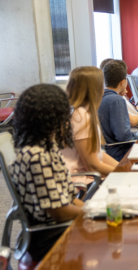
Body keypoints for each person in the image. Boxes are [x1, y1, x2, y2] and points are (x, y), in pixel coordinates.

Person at [9, 84, 84, 263]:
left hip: (57, 227)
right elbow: (59, 211)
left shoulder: (45, 147)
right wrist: (93, 212)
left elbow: (70, 199)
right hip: (49, 235)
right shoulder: (36, 156)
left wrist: (97, 208)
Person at [62, 67, 118, 185]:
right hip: (81, 184)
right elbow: (92, 165)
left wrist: (123, 169)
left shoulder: (81, 113)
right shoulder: (80, 117)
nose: (103, 90)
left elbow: (98, 154)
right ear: (94, 90)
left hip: (86, 178)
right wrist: (124, 173)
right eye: (101, 86)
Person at [99, 60, 138, 161]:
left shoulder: (100, 97)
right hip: (120, 153)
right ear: (123, 82)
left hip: (108, 152)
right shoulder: (116, 100)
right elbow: (124, 137)